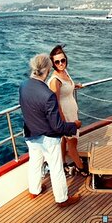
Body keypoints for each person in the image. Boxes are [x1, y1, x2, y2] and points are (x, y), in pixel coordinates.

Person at [19, 53, 82, 208]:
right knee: (56, 168)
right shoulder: (48, 95)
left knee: (35, 163)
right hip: (47, 138)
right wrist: (74, 125)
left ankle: (34, 190)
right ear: (47, 70)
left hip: (30, 133)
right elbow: (58, 127)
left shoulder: (23, 86)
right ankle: (62, 199)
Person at [48, 45, 87, 176]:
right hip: (65, 115)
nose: (60, 63)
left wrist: (74, 86)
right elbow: (56, 102)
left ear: (66, 60)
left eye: (62, 60)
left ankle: (63, 164)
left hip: (71, 111)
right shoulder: (55, 80)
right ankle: (81, 168)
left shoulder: (64, 72)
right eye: (57, 62)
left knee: (64, 140)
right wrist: (64, 123)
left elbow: (65, 88)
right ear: (53, 63)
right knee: (72, 144)